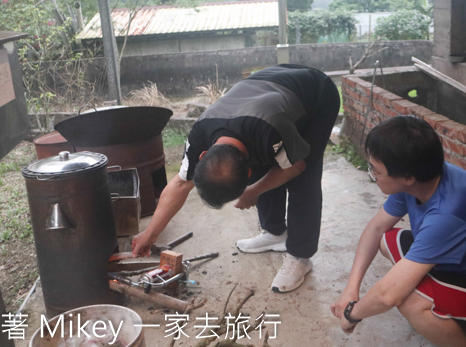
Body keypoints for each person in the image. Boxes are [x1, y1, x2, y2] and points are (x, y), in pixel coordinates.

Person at [331, 116, 466, 346]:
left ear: (407, 177)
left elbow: (388, 295)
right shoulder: (419, 176)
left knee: (409, 301)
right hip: (464, 270)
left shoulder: (449, 211)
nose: (372, 174)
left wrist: (351, 313)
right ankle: (444, 312)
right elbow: (376, 227)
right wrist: (351, 289)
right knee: (385, 239)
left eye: (375, 170)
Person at [132, 64, 340, 293]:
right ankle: (274, 233)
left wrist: (255, 191)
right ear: (203, 155)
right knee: (263, 157)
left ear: (248, 173)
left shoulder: (273, 130)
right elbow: (180, 184)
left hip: (316, 95)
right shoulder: (200, 134)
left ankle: (300, 256)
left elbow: (296, 167)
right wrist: (149, 234)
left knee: (304, 179)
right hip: (266, 91)